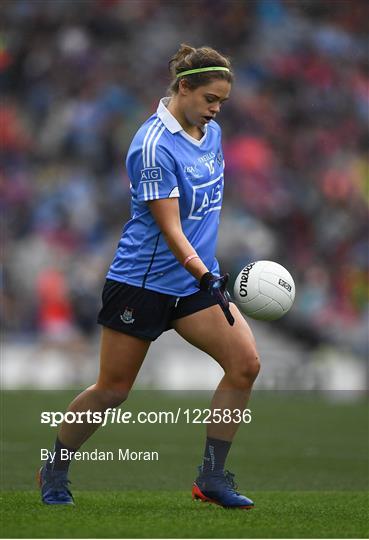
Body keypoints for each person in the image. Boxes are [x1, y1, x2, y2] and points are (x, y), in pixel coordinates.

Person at [38, 44, 260, 510]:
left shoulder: (211, 133)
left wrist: (205, 273)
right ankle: (54, 467)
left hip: (194, 284)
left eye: (222, 101)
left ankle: (212, 479)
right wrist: (204, 272)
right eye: (211, 99)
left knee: (245, 364)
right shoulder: (153, 145)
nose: (217, 110)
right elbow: (170, 227)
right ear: (184, 87)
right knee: (113, 391)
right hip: (142, 283)